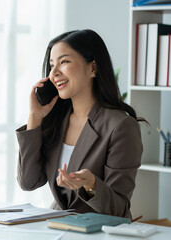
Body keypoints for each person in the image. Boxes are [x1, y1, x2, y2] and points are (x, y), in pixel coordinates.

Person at [16, 29, 146, 219]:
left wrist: (91, 184)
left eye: (64, 62)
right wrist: (34, 119)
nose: (54, 73)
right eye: (52, 65)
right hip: (58, 226)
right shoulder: (56, 121)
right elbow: (28, 182)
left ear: (92, 68)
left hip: (99, 232)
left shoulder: (121, 126)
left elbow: (119, 209)